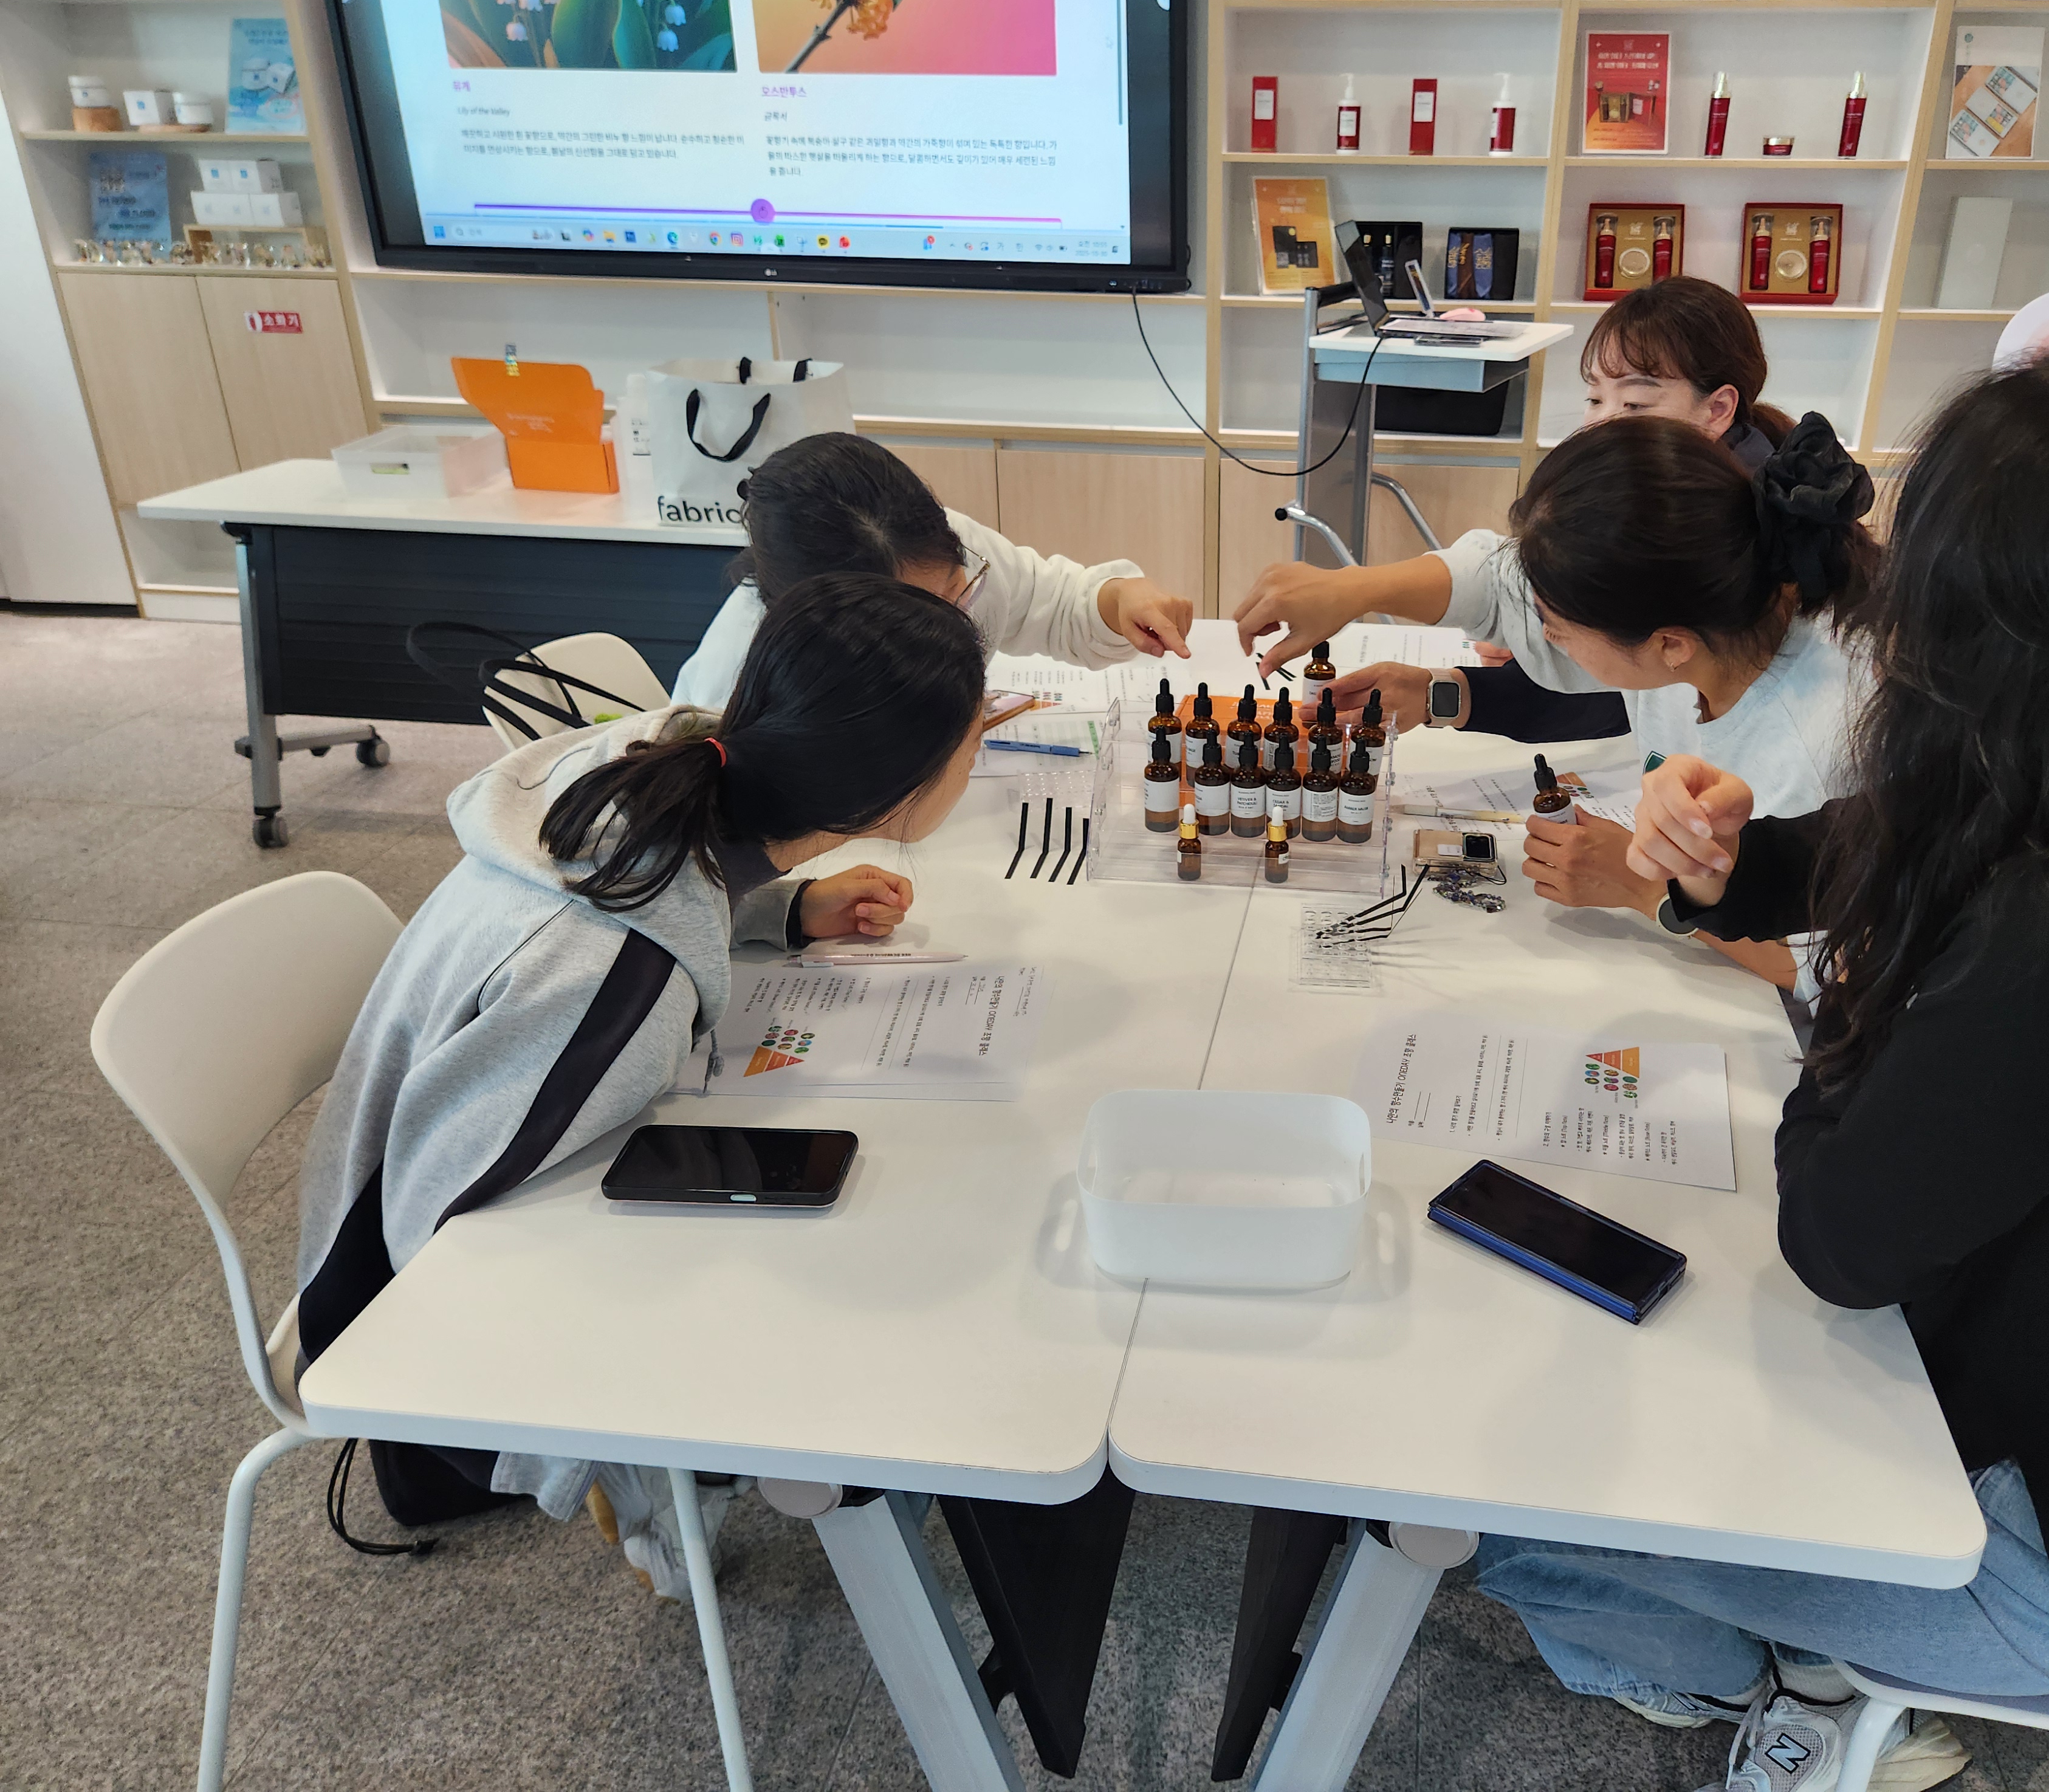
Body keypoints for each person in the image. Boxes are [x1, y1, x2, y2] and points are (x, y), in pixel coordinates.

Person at [1474, 349, 2049, 1792]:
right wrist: (1721, 861)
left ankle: (1778, 1693)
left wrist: (1835, 997)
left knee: (1505, 1510)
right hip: (2042, 1424)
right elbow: (1859, 847)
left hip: (2031, 1552)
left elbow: (1836, 1240)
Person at [295, 575, 986, 1591]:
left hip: (473, 1145)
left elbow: (679, 895)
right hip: (399, 1307)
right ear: (890, 800)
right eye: (975, 741)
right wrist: (621, 1472)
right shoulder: (613, 981)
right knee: (863, 1286)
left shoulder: (670, 754)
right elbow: (445, 1232)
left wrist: (779, 912)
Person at [1341, 411, 1875, 987]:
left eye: (1557, 626)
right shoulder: (1709, 628)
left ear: (1668, 644)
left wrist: (1646, 888)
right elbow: (1573, 683)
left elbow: (1832, 977)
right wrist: (1438, 691)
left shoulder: (1814, 746)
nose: (1545, 638)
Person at [1230, 276, 1793, 693]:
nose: (1602, 424)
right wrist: (1360, 590)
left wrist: (1459, 688)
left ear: (1718, 409)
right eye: (1595, 398)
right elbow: (1507, 582)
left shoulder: (1730, 545)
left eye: (1636, 404)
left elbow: (1618, 686)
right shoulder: (1670, 500)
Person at [671, 432, 1200, 710]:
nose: (956, 628)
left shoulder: (950, 550)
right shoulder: (732, 693)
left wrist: (1117, 600)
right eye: (918, 616)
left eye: (956, 592)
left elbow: (1054, 602)